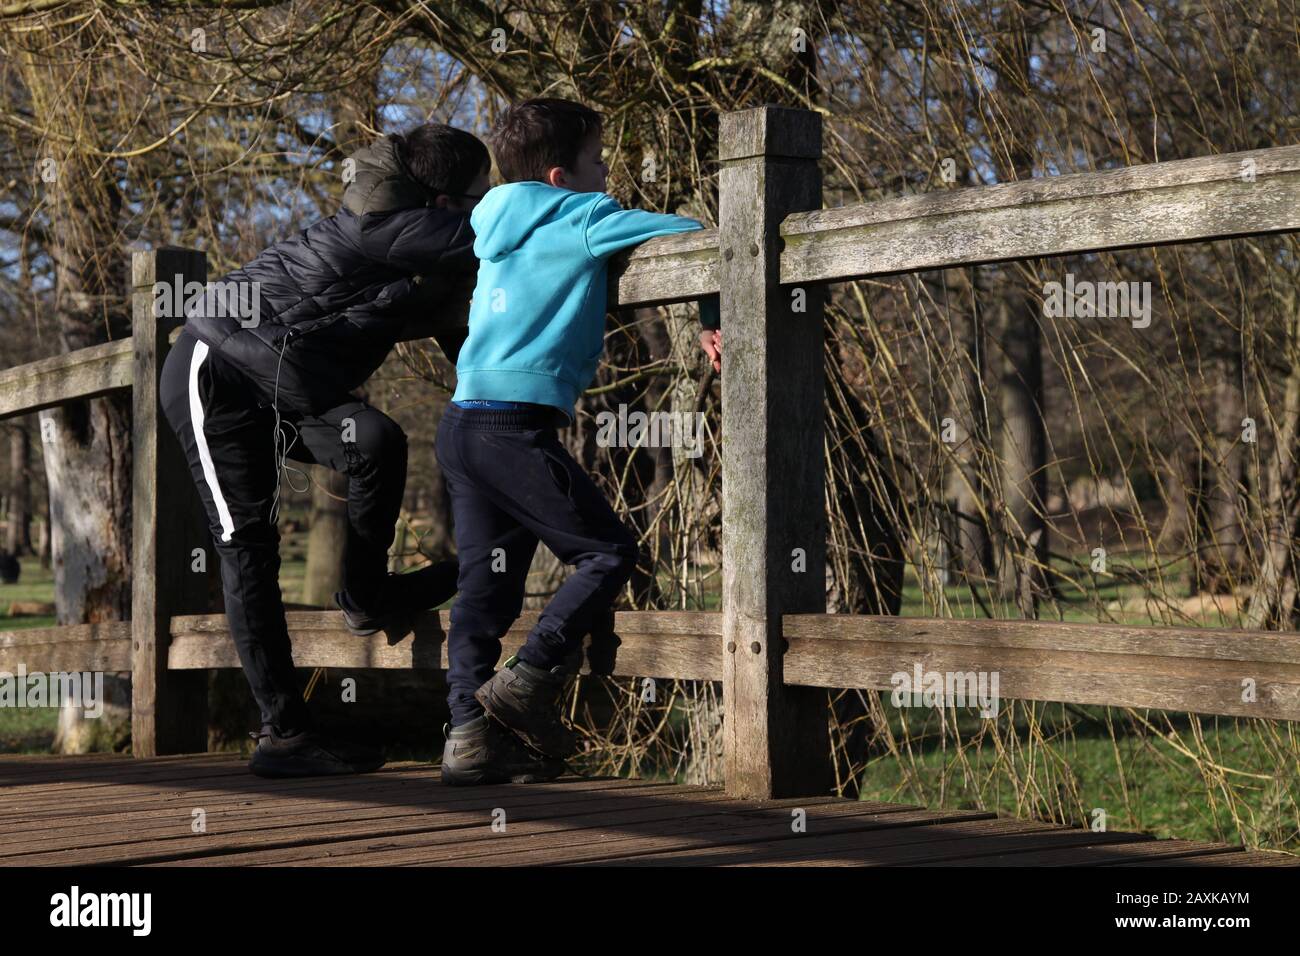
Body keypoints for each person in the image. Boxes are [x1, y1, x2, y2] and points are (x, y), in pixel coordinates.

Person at [160, 124, 490, 777]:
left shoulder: (399, 240)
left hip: (280, 382)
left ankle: (367, 597)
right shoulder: (385, 228)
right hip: (214, 373)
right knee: (246, 541)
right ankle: (283, 732)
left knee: (375, 441)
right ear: (443, 201)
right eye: (479, 195)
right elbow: (509, 237)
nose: (488, 206)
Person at [436, 98, 720, 785]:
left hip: (462, 423)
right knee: (607, 551)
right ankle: (526, 679)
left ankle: (466, 736)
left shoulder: (488, 223)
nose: (608, 173)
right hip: (513, 425)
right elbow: (701, 234)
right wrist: (712, 314)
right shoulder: (581, 216)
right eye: (598, 160)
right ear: (562, 176)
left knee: (484, 591)